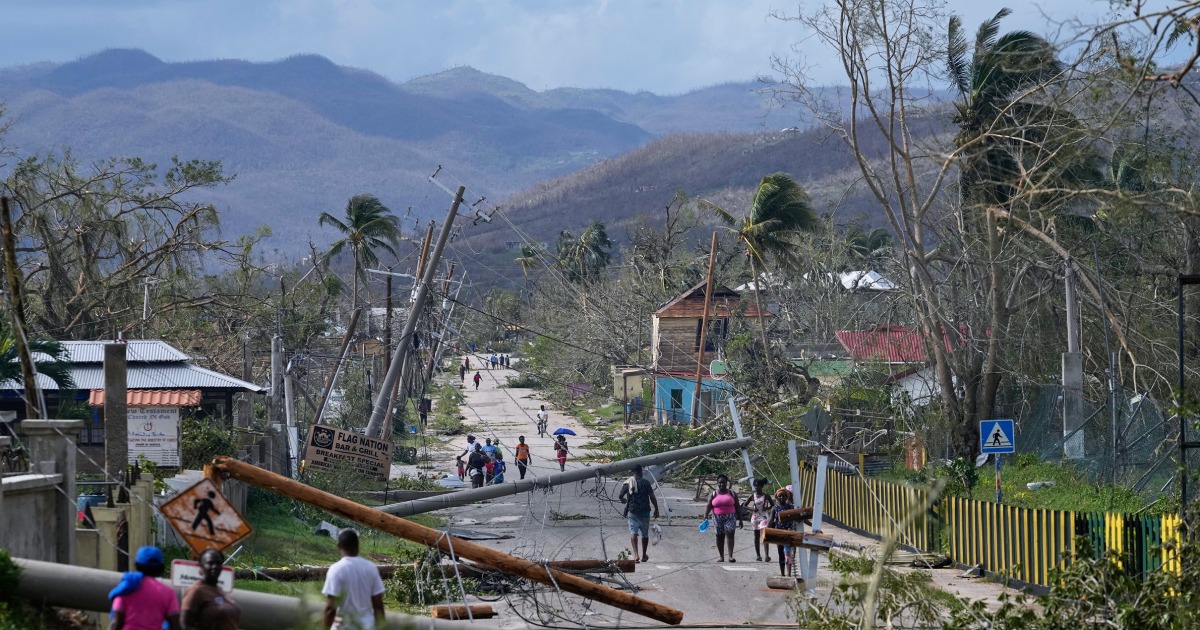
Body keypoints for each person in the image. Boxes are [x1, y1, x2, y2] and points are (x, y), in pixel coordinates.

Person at [322, 529, 385, 630]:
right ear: (357, 546)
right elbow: (378, 605)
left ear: (339, 546)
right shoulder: (371, 568)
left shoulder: (336, 570)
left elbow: (331, 608)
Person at [110, 545, 181, 630]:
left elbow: (117, 623)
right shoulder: (168, 593)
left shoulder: (127, 587)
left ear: (137, 565)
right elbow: (175, 625)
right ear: (160, 568)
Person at [181, 549, 240, 630]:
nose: (215, 566)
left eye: (218, 563)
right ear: (201, 565)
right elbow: (184, 626)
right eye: (210, 563)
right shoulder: (196, 591)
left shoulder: (219, 590)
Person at [619, 464, 660, 563]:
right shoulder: (646, 483)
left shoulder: (627, 483)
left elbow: (620, 495)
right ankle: (644, 555)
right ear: (641, 472)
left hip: (632, 511)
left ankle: (636, 555)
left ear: (632, 472)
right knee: (644, 534)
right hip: (645, 511)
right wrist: (656, 509)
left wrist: (623, 500)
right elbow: (652, 497)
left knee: (633, 532)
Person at [703, 474, 742, 562]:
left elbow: (738, 506)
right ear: (717, 483)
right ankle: (721, 556)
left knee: (730, 533)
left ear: (726, 483)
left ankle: (730, 556)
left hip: (730, 516)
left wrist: (740, 519)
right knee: (719, 536)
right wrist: (705, 515)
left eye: (723, 483)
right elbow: (709, 506)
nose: (722, 484)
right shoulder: (713, 494)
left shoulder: (732, 493)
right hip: (717, 517)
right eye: (720, 483)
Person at [743, 478, 775, 562]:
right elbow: (744, 505)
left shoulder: (766, 495)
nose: (757, 487)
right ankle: (758, 555)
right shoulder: (752, 496)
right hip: (755, 517)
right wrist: (752, 509)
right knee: (756, 536)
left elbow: (773, 505)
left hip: (764, 517)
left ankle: (767, 555)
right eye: (755, 486)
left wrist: (767, 508)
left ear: (762, 486)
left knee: (765, 535)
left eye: (758, 485)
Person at [769, 488, 797, 577]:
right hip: (778, 534)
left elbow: (798, 516)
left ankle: (789, 574)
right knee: (780, 553)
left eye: (783, 496)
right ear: (777, 497)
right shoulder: (775, 508)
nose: (782, 498)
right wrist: (766, 531)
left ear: (786, 497)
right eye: (780, 496)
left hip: (788, 533)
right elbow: (770, 521)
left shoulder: (791, 507)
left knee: (788, 553)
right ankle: (782, 574)